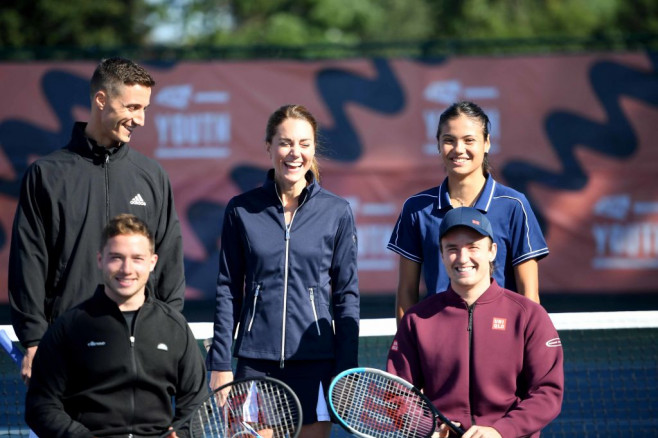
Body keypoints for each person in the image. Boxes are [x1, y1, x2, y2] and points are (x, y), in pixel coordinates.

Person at [9, 56, 185, 384]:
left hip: (140, 350)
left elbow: (169, 264)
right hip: (66, 349)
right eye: (132, 107)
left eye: (144, 108)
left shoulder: (152, 176)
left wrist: (168, 332)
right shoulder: (46, 174)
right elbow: (28, 263)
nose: (141, 119)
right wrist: (33, 341)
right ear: (101, 100)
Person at [206, 104, 360, 438]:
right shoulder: (241, 210)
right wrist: (219, 363)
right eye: (285, 142)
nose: (295, 153)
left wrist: (345, 368)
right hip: (254, 362)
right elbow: (227, 289)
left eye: (304, 144)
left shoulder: (337, 212)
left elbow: (347, 296)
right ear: (269, 146)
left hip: (316, 364)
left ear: (314, 148)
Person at [25, 214, 207, 438]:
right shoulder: (69, 328)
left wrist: (183, 433)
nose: (126, 269)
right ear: (100, 259)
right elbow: (40, 406)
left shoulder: (174, 327)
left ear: (153, 262)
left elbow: (196, 402)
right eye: (116, 257)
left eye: (137, 258)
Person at [387, 207, 563, 438]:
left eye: (473, 247)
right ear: (441, 254)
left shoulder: (529, 315)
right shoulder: (417, 320)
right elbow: (398, 392)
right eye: (452, 249)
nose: (462, 258)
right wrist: (426, 429)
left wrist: (499, 431)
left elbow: (547, 393)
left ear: (492, 251)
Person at [388, 101, 548, 322]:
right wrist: (407, 348)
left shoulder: (514, 205)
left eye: (469, 140)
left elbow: (529, 295)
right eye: (449, 140)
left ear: (487, 143)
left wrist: (525, 349)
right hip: (437, 342)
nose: (458, 149)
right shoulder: (416, 208)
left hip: (501, 340)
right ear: (438, 145)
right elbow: (406, 292)